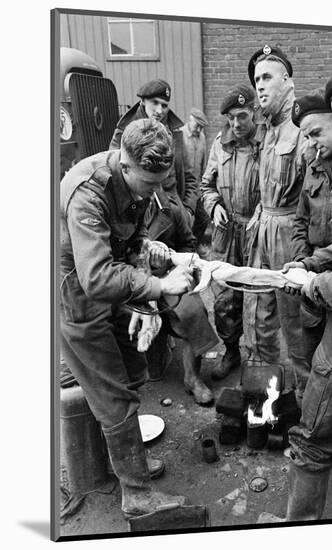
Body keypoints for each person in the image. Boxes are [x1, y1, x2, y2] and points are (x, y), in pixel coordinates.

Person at [60, 118, 194, 518]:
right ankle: (135, 494)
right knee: (112, 394)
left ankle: (125, 462)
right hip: (77, 299)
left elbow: (126, 240)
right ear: (125, 165)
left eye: (163, 183)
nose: (157, 194)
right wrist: (158, 287)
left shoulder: (137, 183)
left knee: (133, 370)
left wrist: (142, 249)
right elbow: (97, 277)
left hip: (111, 287)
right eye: (150, 184)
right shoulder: (88, 193)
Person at [258, 62, 332, 523]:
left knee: (315, 432)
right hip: (327, 291)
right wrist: (308, 262)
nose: (320, 139)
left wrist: (315, 282)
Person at [246, 45, 309, 400]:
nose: (260, 86)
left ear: (288, 81)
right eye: (257, 80)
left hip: (288, 234)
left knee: (295, 322)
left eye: (267, 77)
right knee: (259, 316)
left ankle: (305, 406)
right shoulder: (267, 130)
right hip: (263, 227)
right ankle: (267, 398)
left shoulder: (302, 131)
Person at [201, 83, 263, 379]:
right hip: (226, 232)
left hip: (256, 232)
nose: (236, 124)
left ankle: (258, 358)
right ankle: (232, 351)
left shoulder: (267, 143)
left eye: (242, 116)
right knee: (225, 298)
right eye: (231, 118)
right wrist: (213, 206)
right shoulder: (219, 144)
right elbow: (206, 185)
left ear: (254, 111)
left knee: (257, 296)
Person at [143, 188, 218, 405]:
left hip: (169, 274)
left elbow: (188, 243)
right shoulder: (116, 212)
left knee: (193, 311)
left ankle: (192, 378)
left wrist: (168, 258)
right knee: (151, 371)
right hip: (133, 279)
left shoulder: (170, 211)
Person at [290, 89, 332, 364]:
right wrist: (302, 263)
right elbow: (300, 221)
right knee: (309, 354)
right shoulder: (311, 167)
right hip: (312, 277)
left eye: (316, 133)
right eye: (307, 137)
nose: (311, 143)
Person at [109, 78, 198, 226]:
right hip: (142, 213)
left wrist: (188, 211)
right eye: (155, 103)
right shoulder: (125, 132)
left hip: (175, 209)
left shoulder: (174, 132)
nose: (159, 111)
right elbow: (116, 175)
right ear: (143, 101)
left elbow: (190, 175)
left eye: (164, 105)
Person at [180, 108, 210, 246]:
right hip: (182, 190)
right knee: (184, 221)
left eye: (201, 127)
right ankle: (185, 247)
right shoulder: (179, 135)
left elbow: (203, 164)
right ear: (189, 120)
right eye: (197, 125)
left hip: (196, 189)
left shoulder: (202, 138)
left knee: (203, 218)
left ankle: (194, 245)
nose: (199, 129)